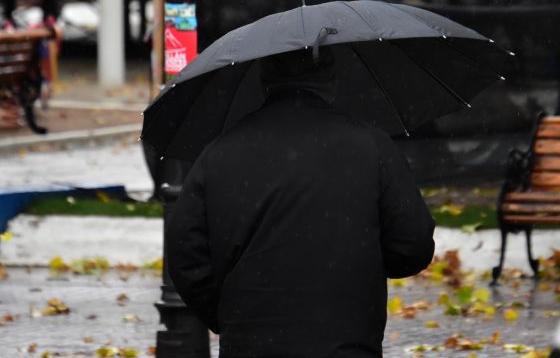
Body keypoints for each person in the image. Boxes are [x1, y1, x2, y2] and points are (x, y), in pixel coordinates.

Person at [166, 48, 436, 357]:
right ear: (331, 79)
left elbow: (184, 253)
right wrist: (359, 270)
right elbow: (412, 247)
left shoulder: (219, 153)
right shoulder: (372, 147)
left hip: (250, 345)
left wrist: (229, 313)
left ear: (264, 79)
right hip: (346, 345)